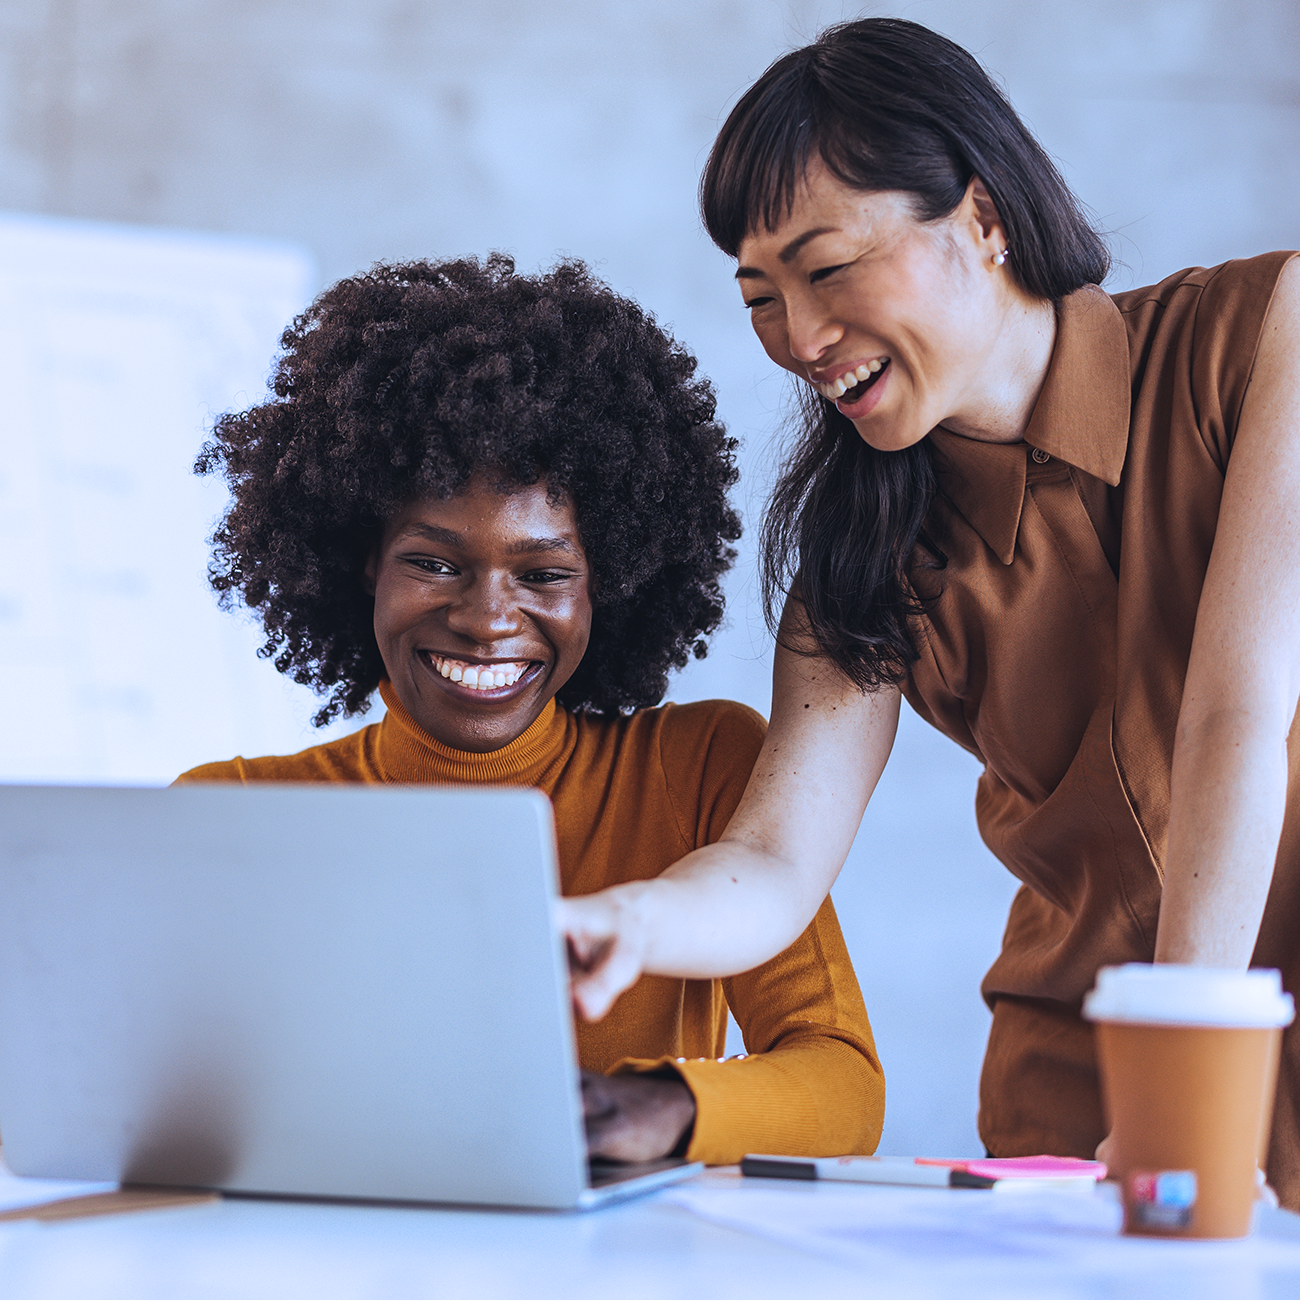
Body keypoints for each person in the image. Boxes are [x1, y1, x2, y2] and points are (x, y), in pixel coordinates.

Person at [559, 18, 1300, 1202]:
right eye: (760, 296)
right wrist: (633, 922)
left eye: (827, 268)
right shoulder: (860, 557)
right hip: (1080, 1072)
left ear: (983, 214)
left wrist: (1187, 1060)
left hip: (1197, 1039)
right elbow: (773, 859)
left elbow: (1234, 713)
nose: (797, 339)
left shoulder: (1267, 335)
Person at [176, 253, 885, 1167]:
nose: (485, 621)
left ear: (612, 586)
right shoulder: (225, 813)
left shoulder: (697, 769)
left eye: (544, 575)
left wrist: (662, 1108)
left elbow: (844, 1086)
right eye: (433, 562)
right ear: (363, 564)